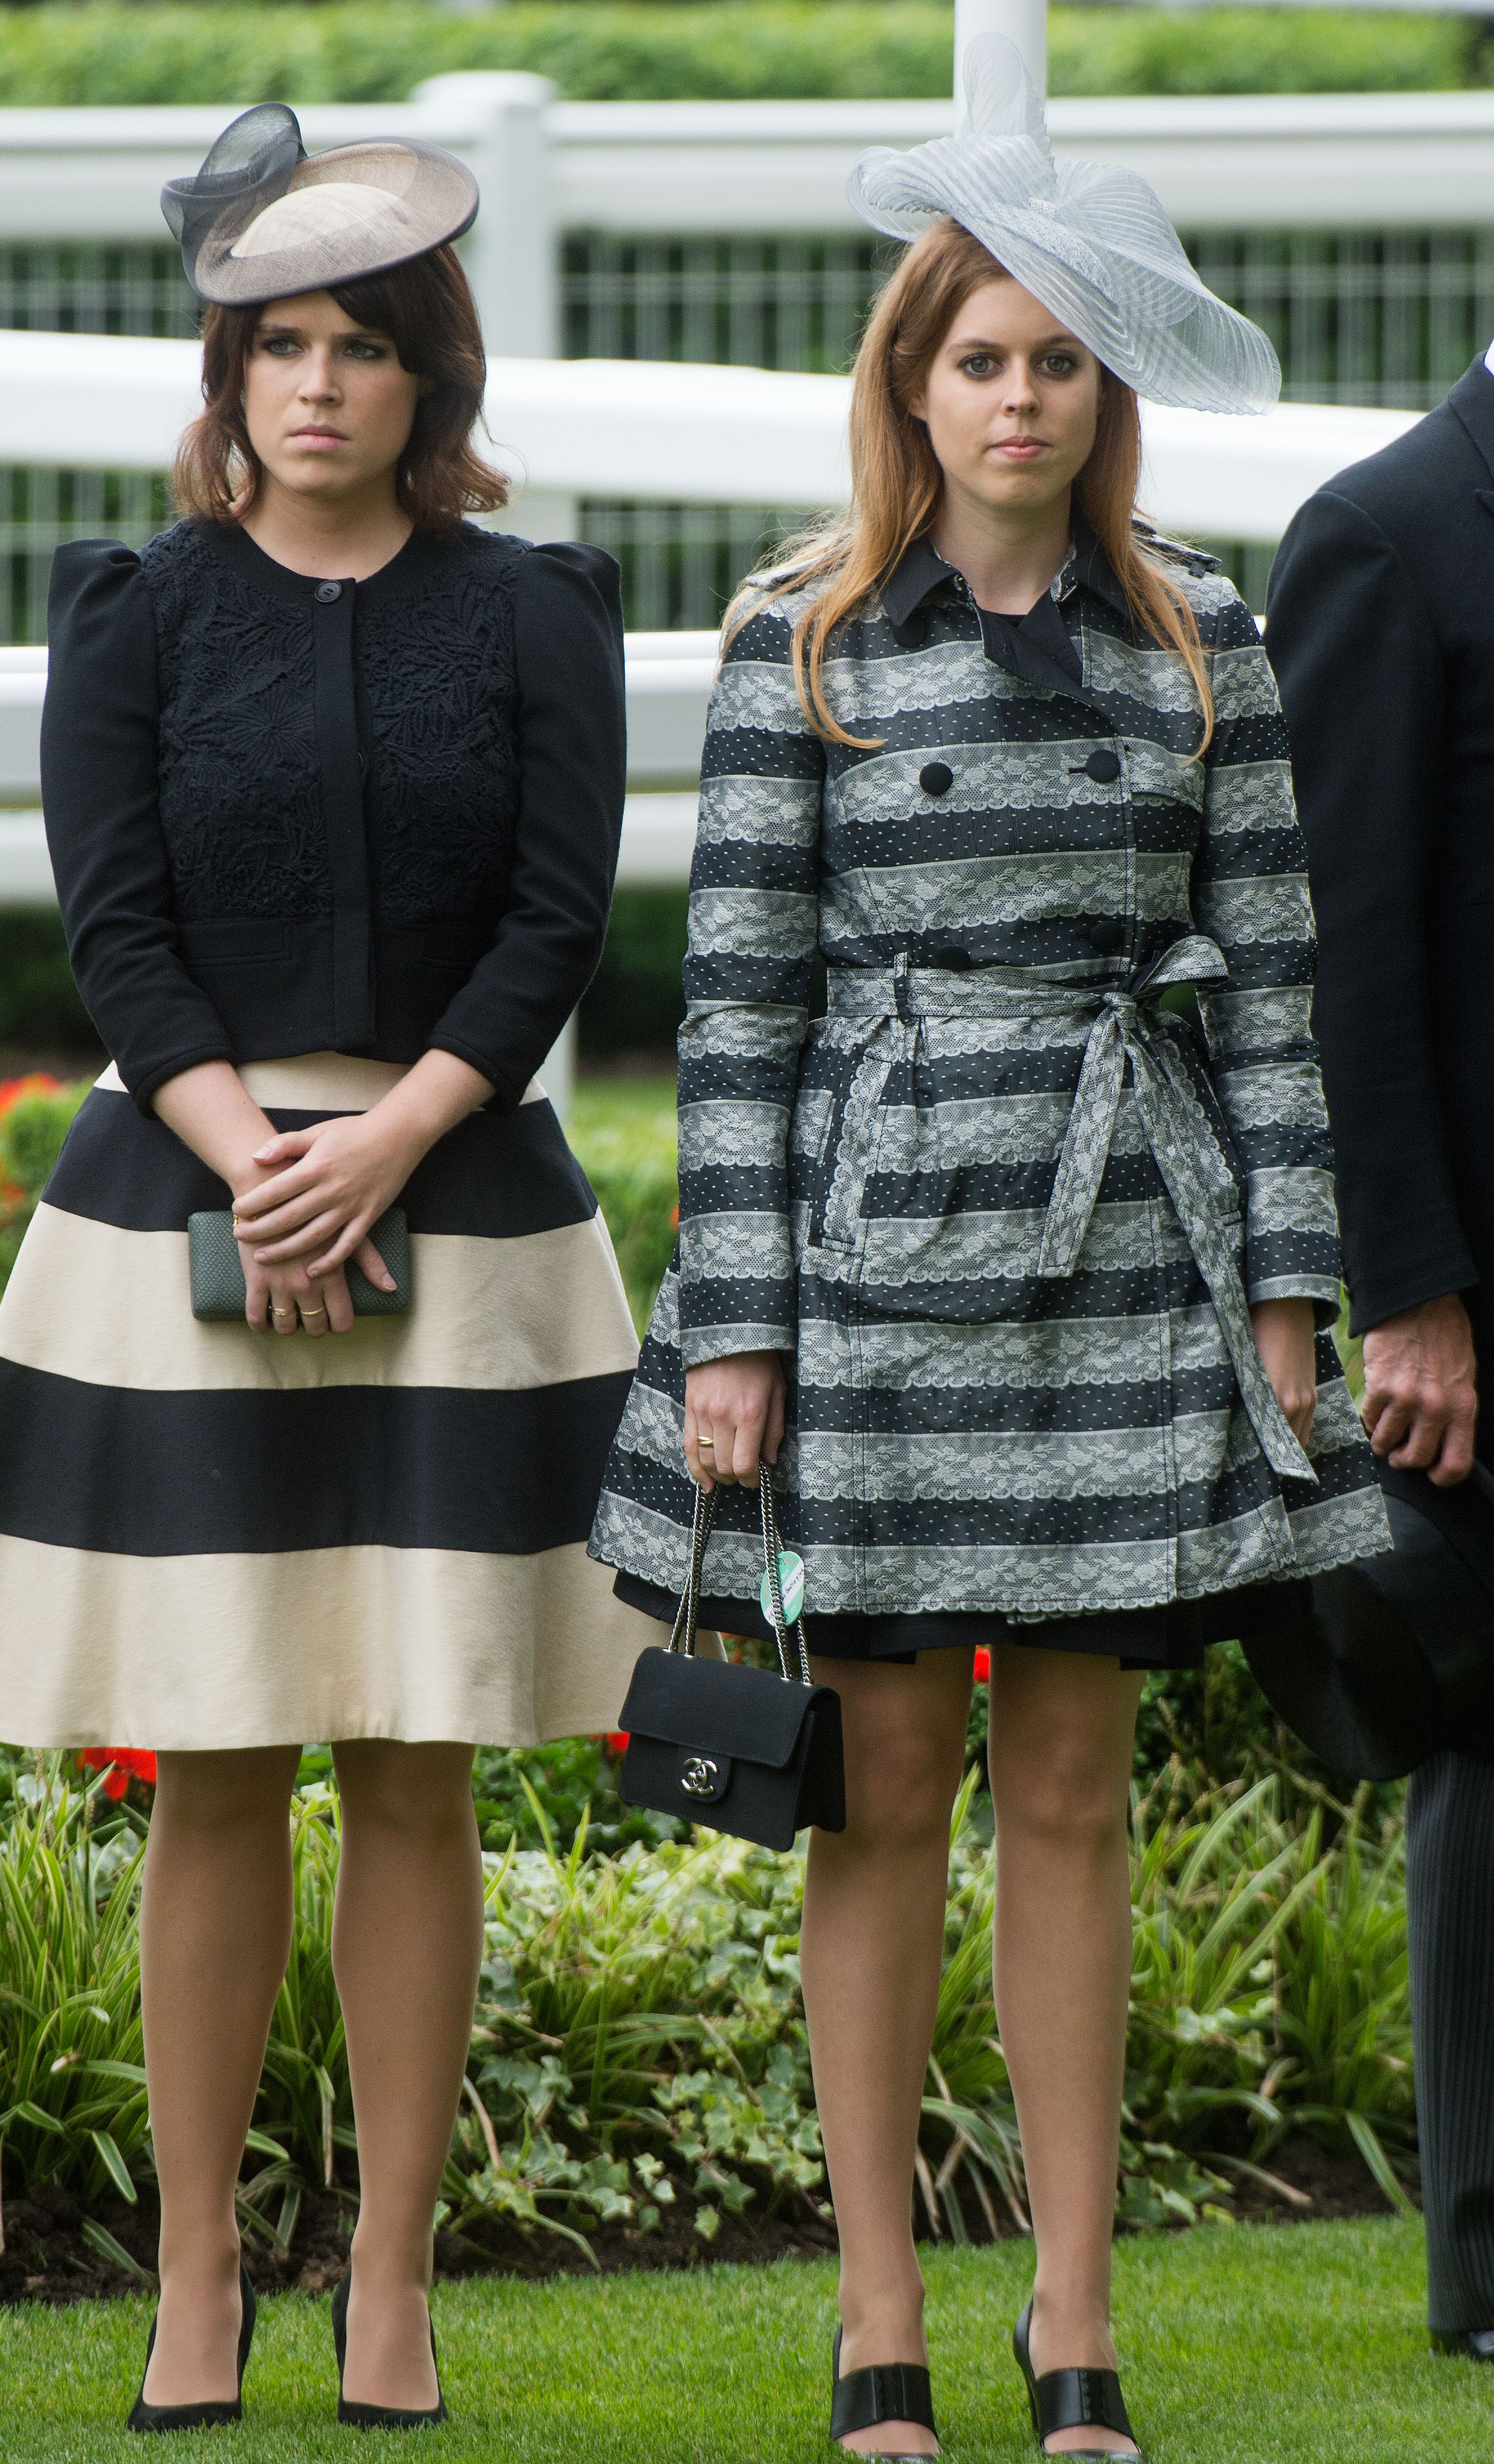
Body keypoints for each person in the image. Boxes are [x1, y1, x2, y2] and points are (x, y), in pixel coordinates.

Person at [591, 41, 1390, 2461]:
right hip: (871, 1271)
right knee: (886, 1781)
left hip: (1132, 1259)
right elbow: (732, 1011)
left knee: (1075, 1791)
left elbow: (1274, 988)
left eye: (1057, 358)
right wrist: (732, 1332)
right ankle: (874, 2331)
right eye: (979, 358)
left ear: (1100, 388)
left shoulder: (1203, 645)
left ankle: (1073, 2333)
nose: (1019, 397)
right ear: (908, 386)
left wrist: (1288, 1299)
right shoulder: (800, 646)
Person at [0, 102, 651, 2434]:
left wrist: (383, 1145)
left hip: (464, 1193)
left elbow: (554, 917)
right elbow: (111, 923)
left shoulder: (536, 612)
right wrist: (253, 1164)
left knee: (419, 1765)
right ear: (226, 375)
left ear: (435, 379)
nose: (317, 385)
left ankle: (389, 2283)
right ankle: (200, 2276)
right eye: (276, 345)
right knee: (211, 1764)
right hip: (181, 1195)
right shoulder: (133, 610)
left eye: (363, 348)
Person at [1266, 325, 1494, 2362]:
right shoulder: (1387, 537)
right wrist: (1402, 1289)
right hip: (1480, 1298)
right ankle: (1493, 2273)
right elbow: (1346, 950)